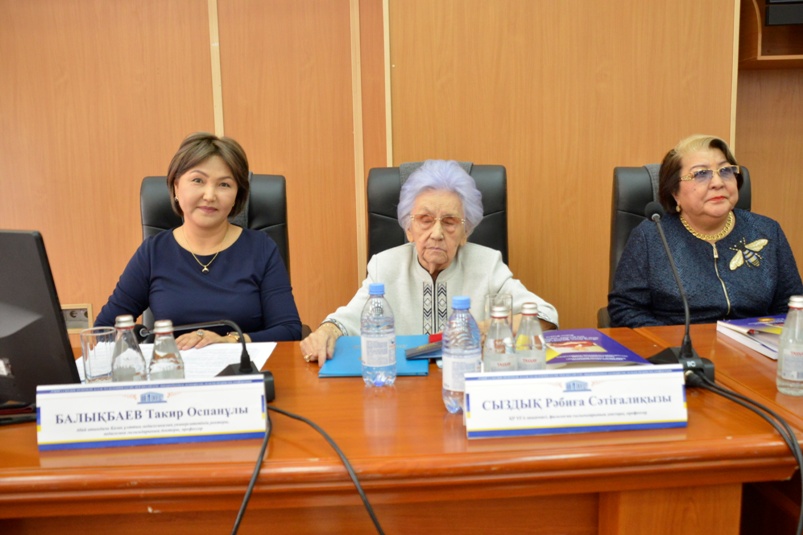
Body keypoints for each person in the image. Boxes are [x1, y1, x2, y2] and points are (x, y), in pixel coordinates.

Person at [300, 159, 558, 365]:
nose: (436, 233)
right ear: (409, 229)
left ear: (465, 232)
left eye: (449, 222)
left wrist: (488, 328)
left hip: (466, 384)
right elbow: (347, 320)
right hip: (403, 392)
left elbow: (545, 315)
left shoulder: (487, 265)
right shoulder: (384, 266)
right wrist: (326, 332)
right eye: (425, 220)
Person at [96, 132, 302, 348]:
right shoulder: (153, 253)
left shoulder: (261, 248)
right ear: (176, 187)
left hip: (244, 366)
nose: (210, 195)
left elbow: (289, 330)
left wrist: (228, 340)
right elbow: (105, 331)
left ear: (237, 196)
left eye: (224, 185)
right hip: (174, 367)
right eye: (198, 181)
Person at [608, 134, 803, 328]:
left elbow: (792, 307)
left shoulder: (767, 230)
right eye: (701, 174)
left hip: (753, 341)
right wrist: (668, 341)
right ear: (675, 192)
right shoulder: (651, 236)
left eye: (725, 171)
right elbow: (625, 308)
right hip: (680, 343)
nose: (718, 183)